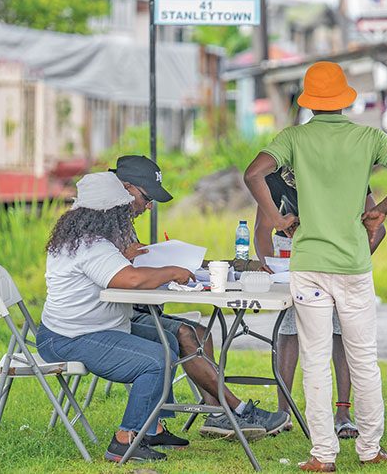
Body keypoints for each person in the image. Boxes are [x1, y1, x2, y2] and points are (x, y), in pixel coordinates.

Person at [244, 61, 387, 472]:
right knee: (364, 358)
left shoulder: (292, 138)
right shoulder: (368, 136)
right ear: (345, 99)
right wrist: (380, 210)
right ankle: (370, 448)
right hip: (353, 264)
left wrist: (275, 219)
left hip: (307, 265)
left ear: (308, 103)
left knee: (314, 360)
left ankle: (322, 455)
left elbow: (254, 173)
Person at [110, 155, 289, 439]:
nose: (149, 206)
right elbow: (120, 276)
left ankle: (214, 411)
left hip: (132, 310)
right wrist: (162, 268)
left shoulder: (119, 221)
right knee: (183, 334)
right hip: (110, 320)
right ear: (126, 187)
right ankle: (238, 410)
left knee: (201, 331)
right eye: (146, 198)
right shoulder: (98, 225)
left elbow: (136, 260)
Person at [35, 171, 195, 462]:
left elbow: (114, 267)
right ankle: (124, 440)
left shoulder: (81, 239)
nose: (128, 216)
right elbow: (130, 280)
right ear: (109, 213)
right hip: (71, 337)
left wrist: (126, 254)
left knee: (168, 341)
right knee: (157, 360)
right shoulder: (91, 246)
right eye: (123, 210)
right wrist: (172, 271)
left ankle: (152, 428)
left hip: (87, 328)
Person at [254, 166, 386, 439]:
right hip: (296, 253)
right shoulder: (276, 177)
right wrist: (273, 269)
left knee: (342, 331)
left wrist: (353, 263)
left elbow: (378, 229)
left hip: (339, 253)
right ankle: (284, 411)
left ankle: (343, 412)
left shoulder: (347, 170)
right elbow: (262, 230)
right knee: (290, 329)